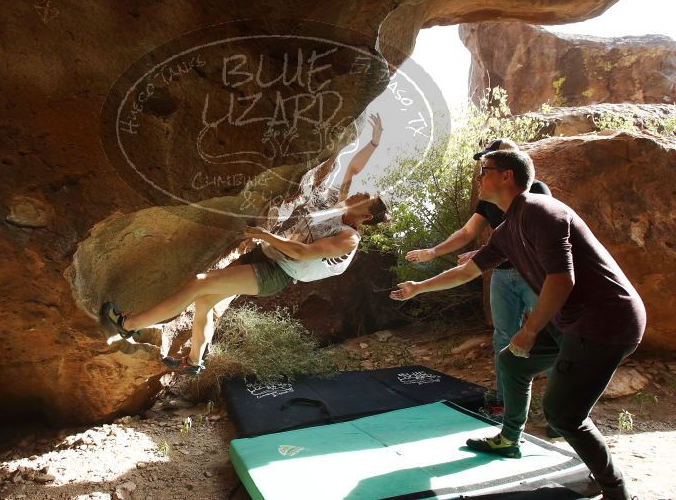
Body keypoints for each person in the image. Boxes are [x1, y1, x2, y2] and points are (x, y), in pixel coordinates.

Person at [390, 150, 645, 500]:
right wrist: (418, 287)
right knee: (511, 361)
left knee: (563, 415)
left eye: (485, 171)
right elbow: (467, 271)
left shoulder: (543, 211)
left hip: (605, 322)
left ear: (507, 176)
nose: (479, 178)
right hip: (574, 323)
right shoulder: (508, 229)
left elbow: (561, 280)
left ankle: (615, 490)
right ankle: (509, 439)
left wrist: (529, 330)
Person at [101, 114, 389, 376]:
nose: (359, 191)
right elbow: (351, 169)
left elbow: (303, 252)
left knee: (200, 283)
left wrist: (265, 235)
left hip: (277, 273)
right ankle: (195, 361)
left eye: (365, 197)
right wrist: (374, 142)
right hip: (265, 256)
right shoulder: (340, 209)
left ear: (365, 215)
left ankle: (128, 324)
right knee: (205, 300)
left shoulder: (348, 239)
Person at [405, 138, 551, 421]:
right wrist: (432, 253)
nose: (481, 174)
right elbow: (468, 232)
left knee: (550, 338)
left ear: (508, 169)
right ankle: (501, 400)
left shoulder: (537, 194)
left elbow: (539, 239)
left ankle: (556, 412)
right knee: (503, 337)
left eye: (487, 166)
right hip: (502, 273)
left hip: (534, 275)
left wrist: (485, 251)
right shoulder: (490, 200)